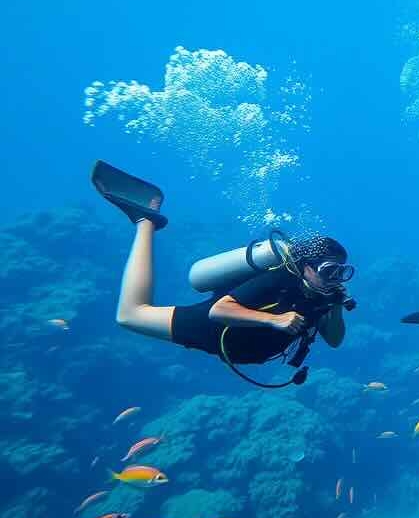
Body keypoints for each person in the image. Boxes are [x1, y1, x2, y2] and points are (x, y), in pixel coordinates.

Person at [92, 161, 355, 388]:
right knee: (130, 315)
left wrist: (336, 307)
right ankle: (145, 221)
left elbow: (334, 340)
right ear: (306, 267)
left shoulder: (324, 299)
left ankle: (145, 220)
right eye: (329, 271)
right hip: (210, 329)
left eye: (342, 273)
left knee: (131, 316)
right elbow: (218, 310)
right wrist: (273, 320)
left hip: (240, 346)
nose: (335, 279)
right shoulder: (280, 280)